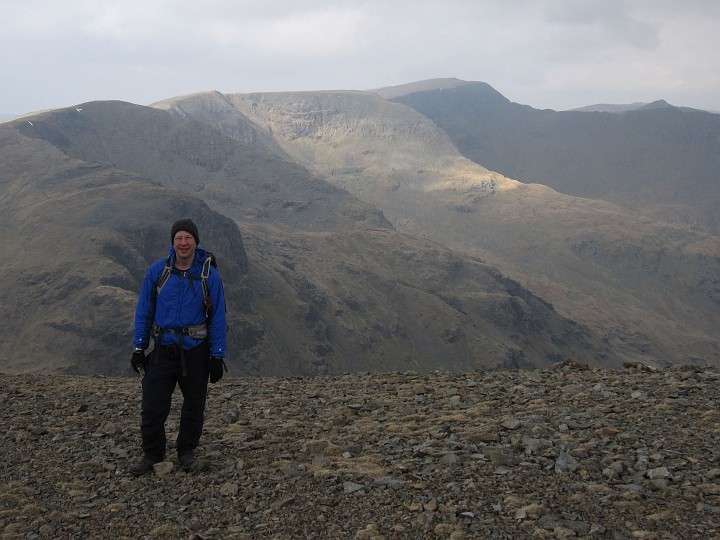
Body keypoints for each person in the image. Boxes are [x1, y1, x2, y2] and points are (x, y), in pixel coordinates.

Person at [129, 218, 227, 476]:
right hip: (163, 348)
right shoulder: (158, 271)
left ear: (196, 241)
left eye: (188, 238)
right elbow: (144, 311)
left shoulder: (209, 275)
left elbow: (218, 317)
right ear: (172, 242)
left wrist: (217, 355)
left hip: (196, 351)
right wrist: (139, 347)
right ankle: (153, 454)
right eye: (178, 238)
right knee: (152, 405)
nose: (183, 243)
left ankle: (186, 452)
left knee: (194, 405)